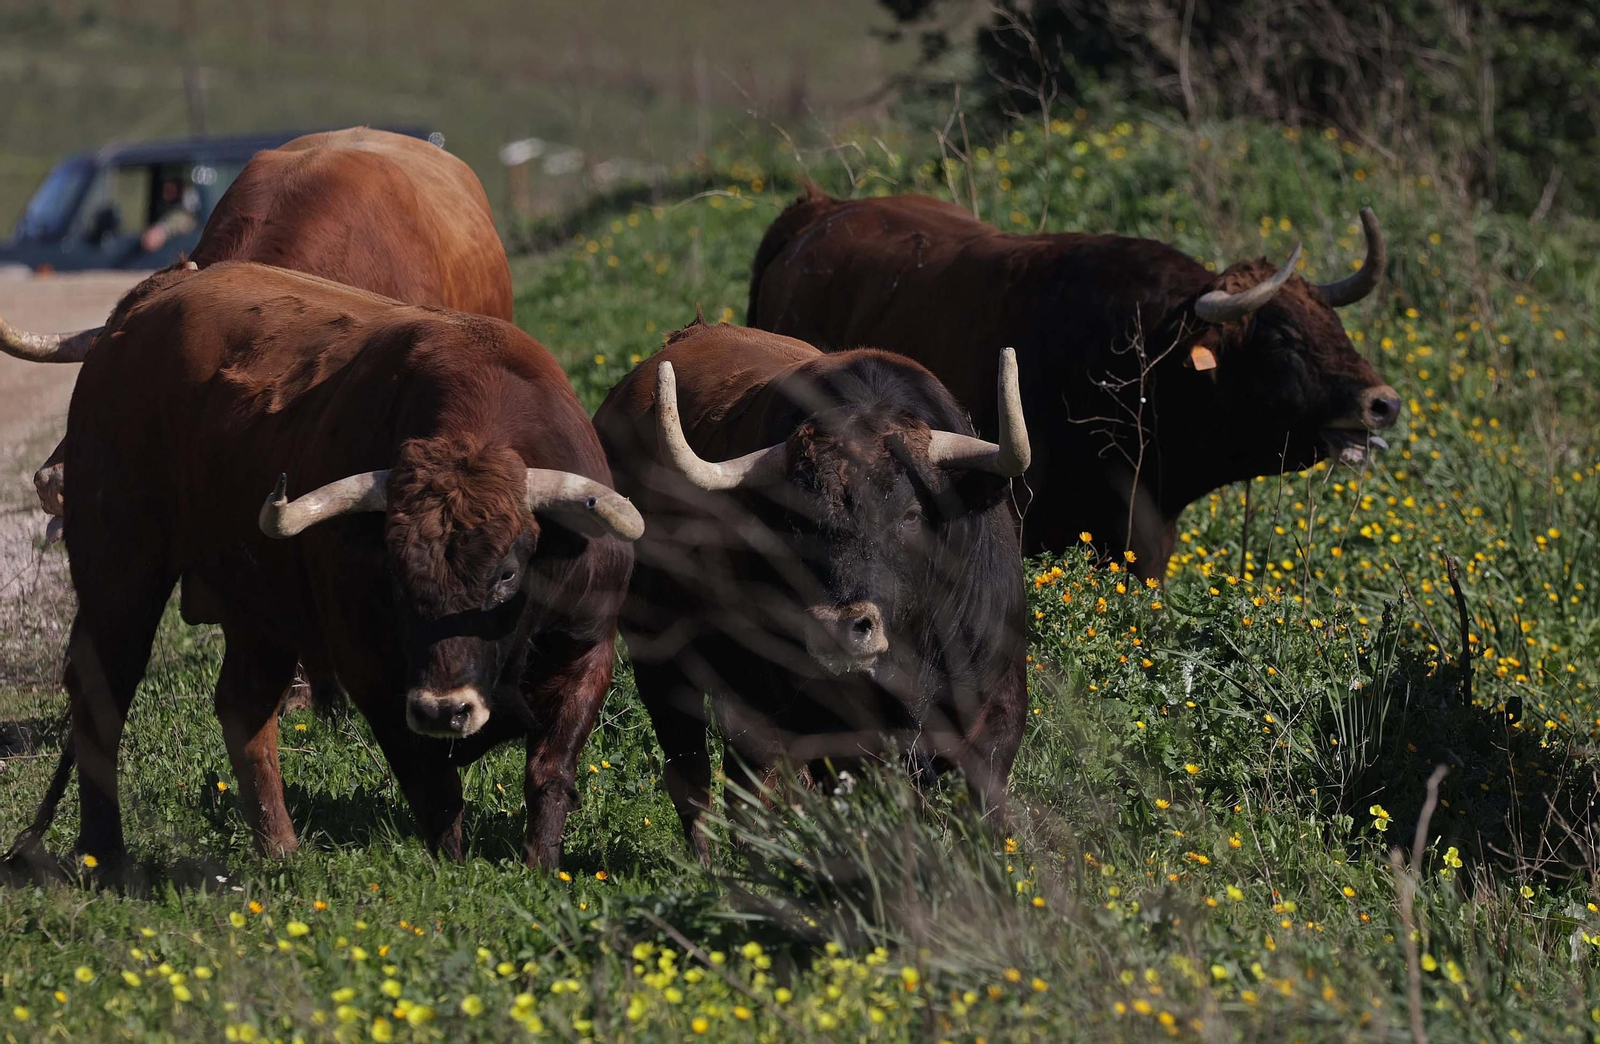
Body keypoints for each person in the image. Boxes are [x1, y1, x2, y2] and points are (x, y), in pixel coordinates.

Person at [140, 172, 199, 252]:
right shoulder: (162, 207)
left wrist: (159, 232)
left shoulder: (183, 215)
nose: (165, 193)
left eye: (170, 189)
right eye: (164, 188)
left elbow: (177, 222)